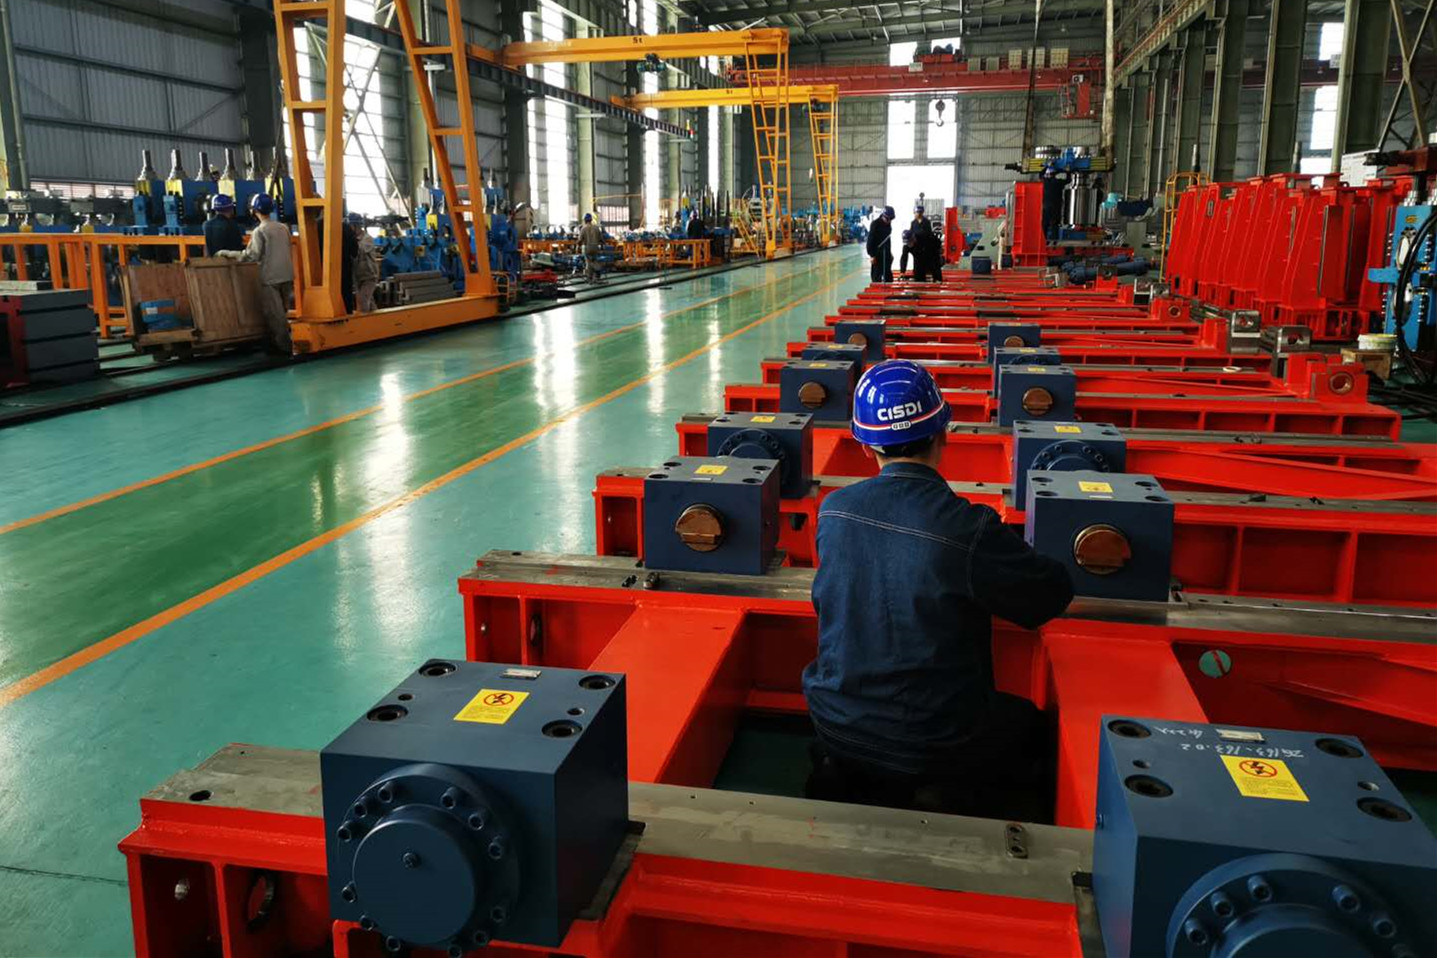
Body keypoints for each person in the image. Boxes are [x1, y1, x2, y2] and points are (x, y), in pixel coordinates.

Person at [802, 360, 1074, 821]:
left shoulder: (834, 511)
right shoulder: (968, 528)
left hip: (835, 722)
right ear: (942, 433)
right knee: (1031, 724)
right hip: (935, 742)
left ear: (865, 446)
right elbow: (1050, 595)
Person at [217, 193, 293, 354]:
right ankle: (281, 344)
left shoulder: (260, 231)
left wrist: (227, 253)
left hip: (270, 278)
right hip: (287, 274)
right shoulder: (283, 228)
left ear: (254, 210)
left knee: (276, 315)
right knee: (283, 311)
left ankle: (284, 349)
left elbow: (251, 255)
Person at [351, 214, 379, 313]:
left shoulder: (367, 239)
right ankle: (378, 319)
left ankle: (364, 321)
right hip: (357, 277)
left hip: (369, 276)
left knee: (363, 301)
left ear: (356, 226)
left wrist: (350, 240)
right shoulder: (354, 239)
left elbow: (359, 250)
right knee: (369, 302)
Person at [865, 206, 895, 283]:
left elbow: (887, 240)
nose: (889, 221)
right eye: (888, 219)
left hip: (886, 253)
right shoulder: (875, 224)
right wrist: (872, 255)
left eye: (891, 219)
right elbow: (870, 241)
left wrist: (889, 252)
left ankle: (889, 289)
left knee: (888, 276)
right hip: (876, 254)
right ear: (883, 216)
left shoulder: (888, 225)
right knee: (876, 276)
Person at [578, 213, 605, 283]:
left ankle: (590, 277)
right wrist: (602, 246)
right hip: (596, 247)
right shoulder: (596, 228)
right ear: (591, 220)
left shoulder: (583, 228)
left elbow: (580, 240)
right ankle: (597, 275)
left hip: (588, 247)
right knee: (594, 260)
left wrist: (578, 247)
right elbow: (601, 239)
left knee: (589, 262)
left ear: (585, 220)